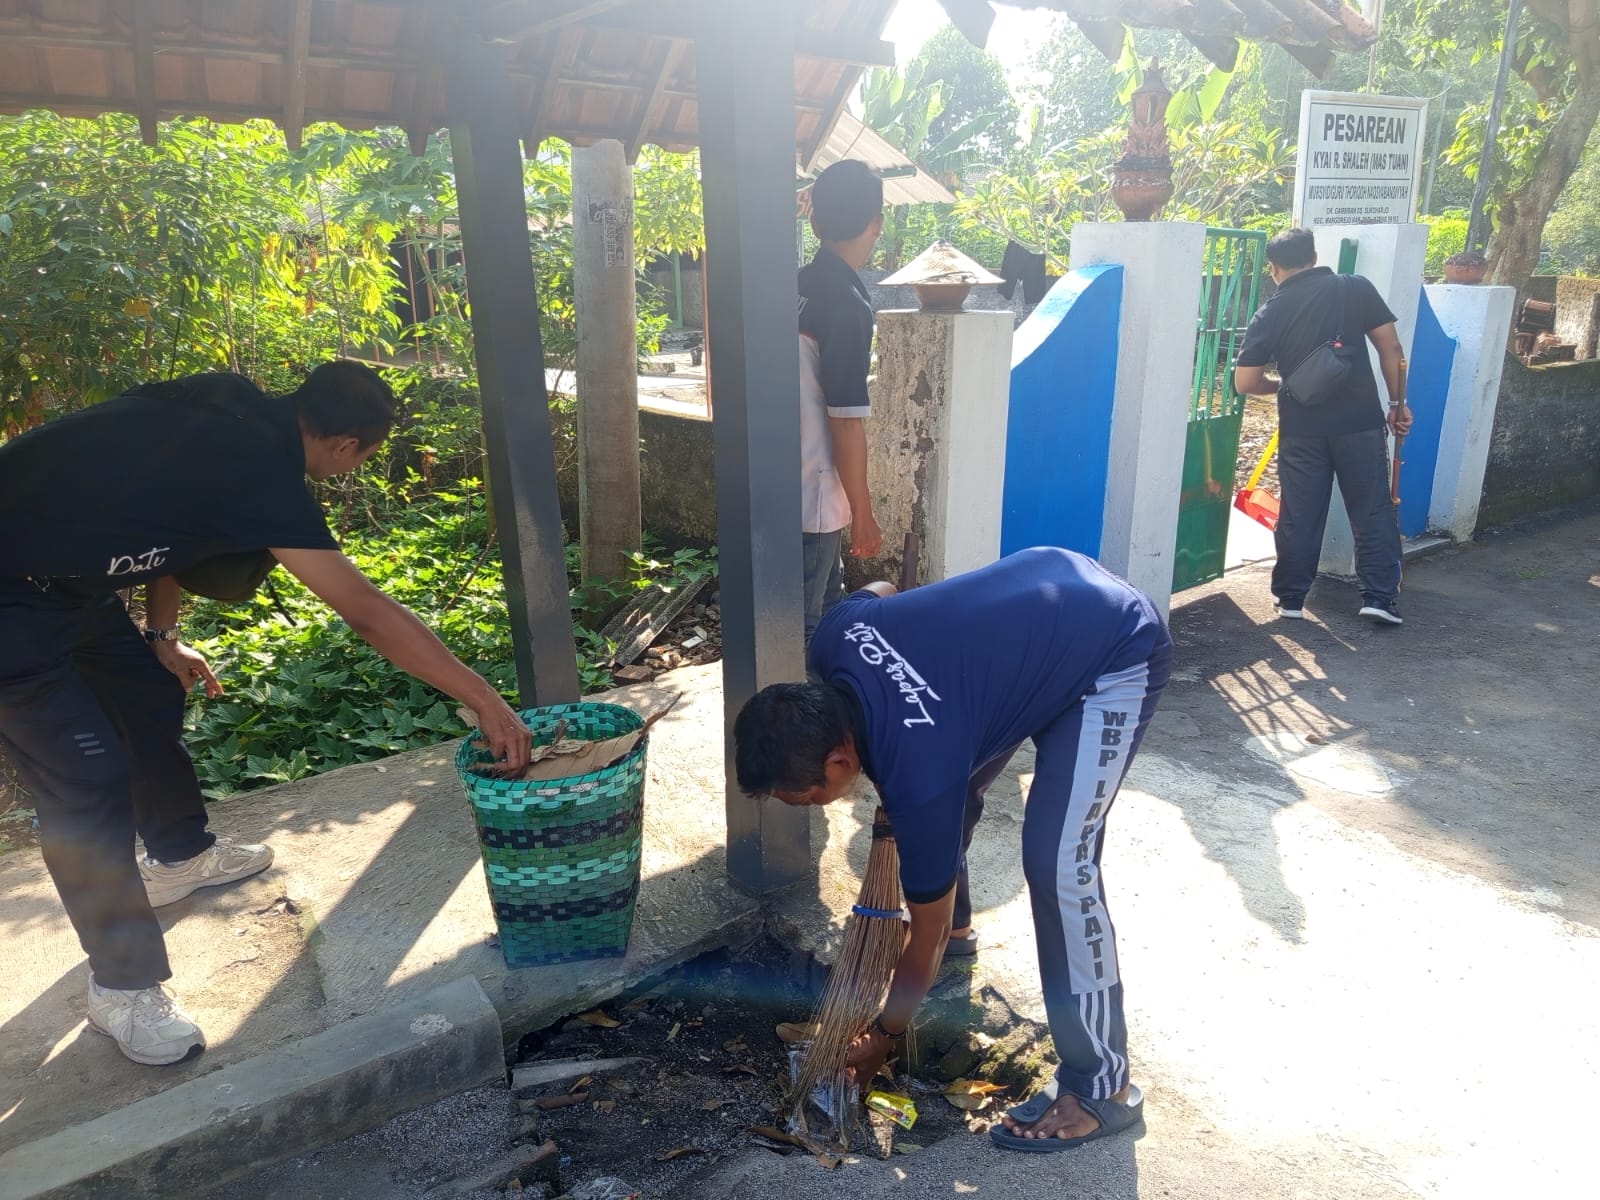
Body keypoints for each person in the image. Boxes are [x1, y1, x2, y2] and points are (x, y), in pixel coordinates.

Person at [0, 362, 533, 1067]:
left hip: (70, 585)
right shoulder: (263, 472)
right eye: (362, 460)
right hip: (11, 599)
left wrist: (162, 638)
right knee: (86, 784)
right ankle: (122, 989)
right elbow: (366, 610)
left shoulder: (225, 407)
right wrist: (485, 698)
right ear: (346, 446)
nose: (351, 471)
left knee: (149, 692)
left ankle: (178, 857)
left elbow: (168, 517)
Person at [733, 547, 1172, 1150]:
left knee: (1057, 863)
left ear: (839, 759)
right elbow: (884, 587)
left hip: (1112, 643)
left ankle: (1103, 1086)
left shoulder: (923, 775)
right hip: (1046, 584)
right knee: (948, 805)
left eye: (805, 798)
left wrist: (885, 1033)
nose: (807, 806)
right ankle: (967, 936)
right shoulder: (836, 636)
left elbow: (923, 931)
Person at [1234, 226, 1414, 625]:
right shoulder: (1355, 288)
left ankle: (1292, 600)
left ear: (1273, 267)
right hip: (1360, 423)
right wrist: (1398, 403)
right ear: (1314, 258)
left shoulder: (1271, 311)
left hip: (1302, 428)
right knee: (1372, 510)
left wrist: (1285, 385)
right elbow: (1392, 348)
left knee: (1300, 513)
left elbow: (1245, 382)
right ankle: (1379, 599)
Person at [798, 159, 886, 648]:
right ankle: (805, 722)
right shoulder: (847, 305)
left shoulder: (793, 286)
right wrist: (864, 511)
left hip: (774, 486)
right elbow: (846, 423)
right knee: (810, 630)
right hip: (812, 495)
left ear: (815, 222)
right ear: (876, 222)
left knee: (823, 614)